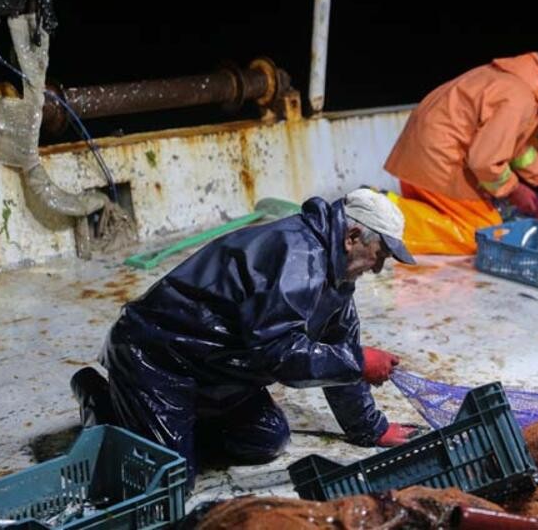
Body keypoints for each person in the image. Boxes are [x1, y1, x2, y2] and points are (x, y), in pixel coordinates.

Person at [71, 188, 419, 485]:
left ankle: (174, 428)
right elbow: (278, 354)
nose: (378, 269)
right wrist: (358, 362)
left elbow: (336, 350)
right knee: (170, 481)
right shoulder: (297, 257)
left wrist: (371, 429)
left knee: (266, 439)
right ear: (352, 237)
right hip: (160, 358)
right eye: (380, 256)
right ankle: (103, 402)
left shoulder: (339, 276)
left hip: (219, 369)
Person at [383, 49, 538, 254]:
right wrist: (516, 191)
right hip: (438, 167)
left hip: (415, 163)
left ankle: (397, 208)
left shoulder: (506, 78)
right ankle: (383, 213)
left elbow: (514, 147)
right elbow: (484, 161)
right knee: (484, 233)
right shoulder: (519, 98)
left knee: (452, 218)